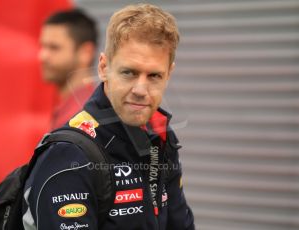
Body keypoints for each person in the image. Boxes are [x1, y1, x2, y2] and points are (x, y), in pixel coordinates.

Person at [23, 3, 195, 230]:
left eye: (154, 76)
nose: (141, 89)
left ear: (169, 74)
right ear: (104, 67)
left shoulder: (161, 137)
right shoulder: (68, 153)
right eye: (129, 73)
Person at [39, 9, 98, 129]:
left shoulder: (83, 118)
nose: (42, 56)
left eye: (54, 47)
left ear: (86, 52)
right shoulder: (70, 110)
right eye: (43, 46)